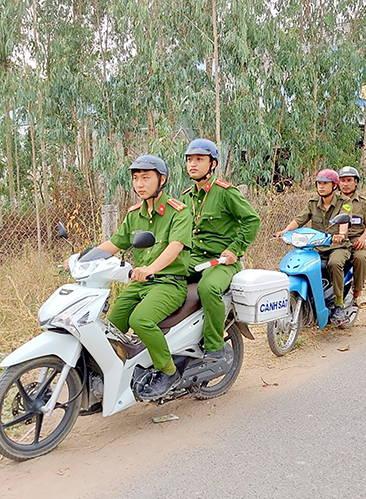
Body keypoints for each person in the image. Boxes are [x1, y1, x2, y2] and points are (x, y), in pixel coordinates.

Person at [94, 154, 192, 398]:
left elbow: (175, 246)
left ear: (162, 179)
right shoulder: (134, 214)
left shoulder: (178, 212)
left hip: (169, 282)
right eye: (136, 178)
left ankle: (168, 371)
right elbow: (115, 243)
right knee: (110, 325)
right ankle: (118, 374)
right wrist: (81, 258)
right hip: (139, 284)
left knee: (141, 320)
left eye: (146, 178)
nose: (139, 184)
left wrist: (152, 268)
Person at [181, 139, 261, 362]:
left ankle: (215, 347)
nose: (193, 164)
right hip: (194, 257)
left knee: (207, 288)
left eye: (199, 159)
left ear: (213, 164)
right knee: (164, 277)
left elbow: (252, 220)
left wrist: (234, 249)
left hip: (222, 261)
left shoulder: (225, 192)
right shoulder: (186, 196)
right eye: (189, 160)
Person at [276, 169, 350, 321]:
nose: (321, 187)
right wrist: (284, 231)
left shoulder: (345, 202)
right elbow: (299, 220)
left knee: (334, 263)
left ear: (334, 186)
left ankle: (339, 304)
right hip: (316, 247)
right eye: (319, 183)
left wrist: (340, 235)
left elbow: (345, 222)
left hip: (337, 247)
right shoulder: (312, 203)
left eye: (325, 184)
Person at [336, 166, 366, 305]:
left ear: (356, 182)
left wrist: (363, 238)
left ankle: (357, 293)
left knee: (361, 258)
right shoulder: (332, 199)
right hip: (335, 239)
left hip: (355, 240)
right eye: (342, 180)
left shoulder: (364, 202)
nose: (345, 184)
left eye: (349, 180)